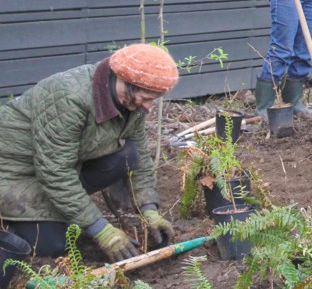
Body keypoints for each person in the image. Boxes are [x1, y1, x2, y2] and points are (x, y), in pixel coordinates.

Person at [0, 44, 178, 260]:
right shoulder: (68, 97)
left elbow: (140, 157)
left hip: (58, 165)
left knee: (128, 155)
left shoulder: (131, 102)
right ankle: (10, 220)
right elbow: (55, 173)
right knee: (53, 245)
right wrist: (100, 229)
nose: (149, 107)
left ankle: (66, 210)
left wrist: (150, 210)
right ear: (126, 82)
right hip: (13, 172)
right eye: (147, 98)